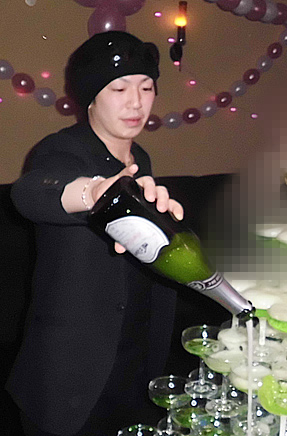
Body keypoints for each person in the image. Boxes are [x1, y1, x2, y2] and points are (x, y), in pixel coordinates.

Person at [7, 31, 184, 436]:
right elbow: (31, 192)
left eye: (146, 87)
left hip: (136, 363)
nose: (136, 102)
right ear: (91, 97)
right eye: (119, 89)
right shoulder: (60, 150)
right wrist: (93, 193)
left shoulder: (140, 158)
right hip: (71, 377)